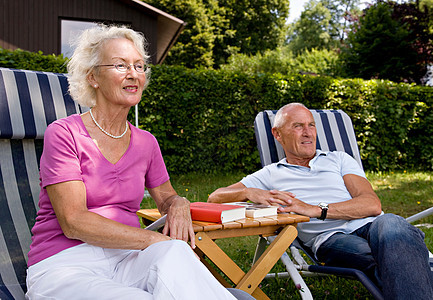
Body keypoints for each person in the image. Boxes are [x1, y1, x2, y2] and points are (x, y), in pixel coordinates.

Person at [26, 24, 236, 300]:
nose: (134, 74)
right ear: (93, 77)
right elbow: (74, 221)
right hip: (65, 264)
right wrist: (153, 238)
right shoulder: (65, 133)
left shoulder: (145, 142)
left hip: (126, 260)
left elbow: (167, 197)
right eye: (120, 65)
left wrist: (180, 204)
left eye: (139, 66)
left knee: (175, 251)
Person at [209, 102, 433, 299]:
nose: (308, 133)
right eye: (298, 126)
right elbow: (215, 197)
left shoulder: (338, 159)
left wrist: (315, 209)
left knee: (394, 224)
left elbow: (371, 205)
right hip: (330, 238)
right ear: (277, 134)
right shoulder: (270, 174)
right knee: (396, 254)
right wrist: (249, 193)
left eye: (311, 125)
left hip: (373, 226)